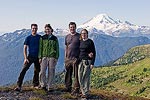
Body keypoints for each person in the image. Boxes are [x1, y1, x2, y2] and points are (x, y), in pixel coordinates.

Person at [14, 24, 41, 92]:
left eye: (35, 28)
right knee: (24, 70)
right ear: (31, 29)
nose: (34, 29)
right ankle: (18, 86)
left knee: (37, 71)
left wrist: (41, 57)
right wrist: (25, 58)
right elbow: (25, 48)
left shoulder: (40, 37)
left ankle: (35, 85)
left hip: (38, 57)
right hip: (30, 57)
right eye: (33, 28)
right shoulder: (28, 38)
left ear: (37, 29)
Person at [38, 24, 59, 91]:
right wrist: (40, 57)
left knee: (51, 71)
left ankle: (50, 86)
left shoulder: (55, 38)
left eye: (48, 29)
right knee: (42, 71)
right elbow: (40, 48)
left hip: (52, 57)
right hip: (44, 56)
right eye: (46, 29)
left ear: (51, 30)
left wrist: (56, 57)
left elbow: (57, 48)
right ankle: (43, 85)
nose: (47, 30)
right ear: (45, 30)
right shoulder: (42, 38)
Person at [78, 29, 96, 99]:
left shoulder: (90, 42)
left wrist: (92, 63)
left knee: (86, 77)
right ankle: (83, 91)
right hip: (80, 61)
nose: (83, 34)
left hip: (87, 62)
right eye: (82, 33)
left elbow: (94, 53)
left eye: (85, 33)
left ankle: (85, 92)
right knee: (79, 76)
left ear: (87, 34)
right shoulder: (80, 41)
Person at [64, 22, 80, 94]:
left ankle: (76, 88)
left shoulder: (79, 36)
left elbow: (82, 47)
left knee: (76, 75)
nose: (72, 28)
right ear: (69, 28)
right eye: (71, 27)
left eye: (73, 27)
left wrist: (79, 58)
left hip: (75, 58)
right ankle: (68, 87)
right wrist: (65, 58)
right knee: (68, 73)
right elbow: (66, 47)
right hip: (68, 58)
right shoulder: (67, 36)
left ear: (75, 27)